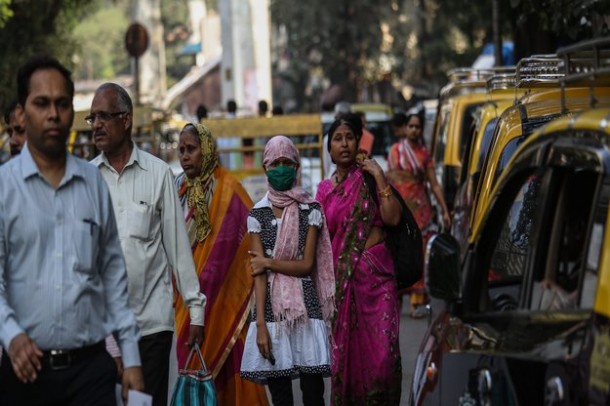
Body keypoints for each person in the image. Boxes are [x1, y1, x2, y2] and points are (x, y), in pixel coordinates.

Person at [0, 55, 144, 404]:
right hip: (25, 373)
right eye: (41, 103)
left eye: (62, 103)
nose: (53, 113)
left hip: (90, 372)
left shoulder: (93, 183)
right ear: (23, 111)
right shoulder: (4, 187)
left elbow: (112, 275)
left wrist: (132, 358)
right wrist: (11, 334)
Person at [89, 83, 206, 406]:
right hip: (101, 330)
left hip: (151, 326)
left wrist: (195, 310)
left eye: (104, 116)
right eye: (92, 118)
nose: (96, 124)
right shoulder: (85, 180)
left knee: (145, 403)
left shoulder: (158, 175)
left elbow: (177, 248)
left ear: (126, 120)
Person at [175, 122, 269, 405]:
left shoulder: (229, 188)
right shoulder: (178, 189)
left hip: (225, 299)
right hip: (186, 301)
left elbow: (252, 239)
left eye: (191, 149)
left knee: (231, 367)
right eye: (181, 150)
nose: (185, 156)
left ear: (206, 150)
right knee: (190, 367)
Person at [240, 135, 335, 406]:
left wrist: (269, 263)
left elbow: (306, 265)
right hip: (271, 313)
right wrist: (259, 325)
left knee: (313, 393)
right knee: (280, 396)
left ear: (296, 166)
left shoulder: (311, 209)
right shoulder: (256, 214)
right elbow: (257, 276)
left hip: (307, 310)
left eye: (287, 162)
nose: (281, 168)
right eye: (275, 163)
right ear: (265, 168)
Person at [315, 113, 403, 404]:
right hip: (344, 287)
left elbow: (392, 218)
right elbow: (321, 242)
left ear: (358, 142)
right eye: (337, 139)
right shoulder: (324, 191)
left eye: (349, 137)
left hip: (378, 285)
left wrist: (379, 176)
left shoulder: (369, 179)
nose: (344, 144)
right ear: (329, 148)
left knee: (383, 363)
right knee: (349, 361)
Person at [387, 112, 451, 318]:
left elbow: (434, 185)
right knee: (398, 252)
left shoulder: (425, 154)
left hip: (420, 210)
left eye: (417, 127)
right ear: (405, 128)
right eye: (411, 126)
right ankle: (396, 296)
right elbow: (388, 182)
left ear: (421, 130)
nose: (414, 130)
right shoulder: (395, 151)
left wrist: (444, 210)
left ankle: (416, 303)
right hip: (399, 209)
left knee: (419, 253)